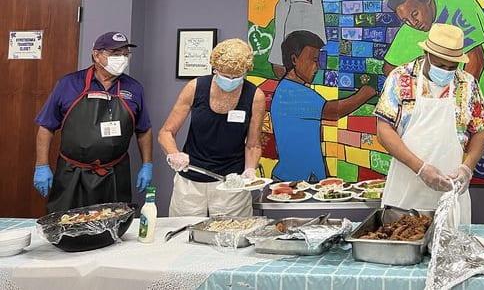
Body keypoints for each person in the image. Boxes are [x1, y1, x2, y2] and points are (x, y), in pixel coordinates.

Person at [375, 24, 484, 222]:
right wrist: (420, 168)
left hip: (451, 191)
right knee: (403, 236)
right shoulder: (401, 78)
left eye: (452, 67)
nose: (446, 71)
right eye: (440, 65)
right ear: (426, 53)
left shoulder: (467, 84)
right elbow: (383, 129)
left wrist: (467, 168)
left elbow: (480, 132)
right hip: (406, 189)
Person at [33, 32, 153, 212]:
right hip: (72, 174)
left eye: (125, 53)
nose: (121, 58)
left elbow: (144, 130)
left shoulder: (134, 88)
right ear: (96, 55)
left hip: (114, 174)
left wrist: (147, 164)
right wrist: (41, 165)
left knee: (113, 229)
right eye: (115, 53)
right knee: (67, 226)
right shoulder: (69, 84)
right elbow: (46, 127)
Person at [159, 39, 265, 217]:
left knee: (232, 236)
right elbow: (166, 132)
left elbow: (253, 144)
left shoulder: (255, 96)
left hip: (232, 183)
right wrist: (173, 153)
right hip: (191, 181)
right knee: (183, 236)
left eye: (236, 77)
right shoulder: (195, 87)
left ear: (246, 71)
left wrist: (250, 170)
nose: (230, 81)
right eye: (225, 75)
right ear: (215, 68)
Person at [270, 30, 376, 182]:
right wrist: (365, 93)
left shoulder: (288, 88)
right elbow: (334, 111)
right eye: (313, 60)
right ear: (294, 59)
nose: (317, 66)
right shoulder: (293, 92)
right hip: (294, 182)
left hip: (301, 178)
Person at [383, 0, 484, 96]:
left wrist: (460, 102)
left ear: (427, 0)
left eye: (415, 14)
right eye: (405, 20)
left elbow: (476, 60)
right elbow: (389, 68)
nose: (413, 23)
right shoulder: (411, 26)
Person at [269, 0, 368, 78]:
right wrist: (278, 65)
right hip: (300, 56)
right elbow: (279, 37)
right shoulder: (284, 3)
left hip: (320, 49)